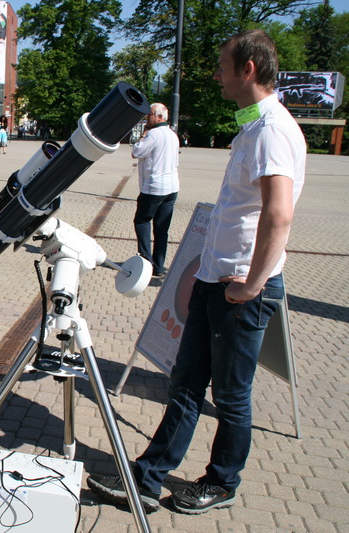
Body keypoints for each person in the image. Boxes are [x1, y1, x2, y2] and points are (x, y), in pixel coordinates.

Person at [87, 29, 306, 515]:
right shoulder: (254, 126)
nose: (216, 74)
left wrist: (252, 283)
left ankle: (222, 482)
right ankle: (146, 478)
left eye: (223, 65)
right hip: (215, 281)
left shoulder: (273, 129)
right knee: (185, 385)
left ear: (248, 68)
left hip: (241, 290)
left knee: (230, 396)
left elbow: (279, 214)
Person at [131, 103, 180, 280]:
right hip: (172, 187)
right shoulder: (173, 135)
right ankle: (159, 266)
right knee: (161, 228)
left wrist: (143, 135)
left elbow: (136, 152)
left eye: (149, 114)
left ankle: (145, 262)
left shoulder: (153, 135)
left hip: (154, 188)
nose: (147, 118)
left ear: (159, 117)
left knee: (142, 221)